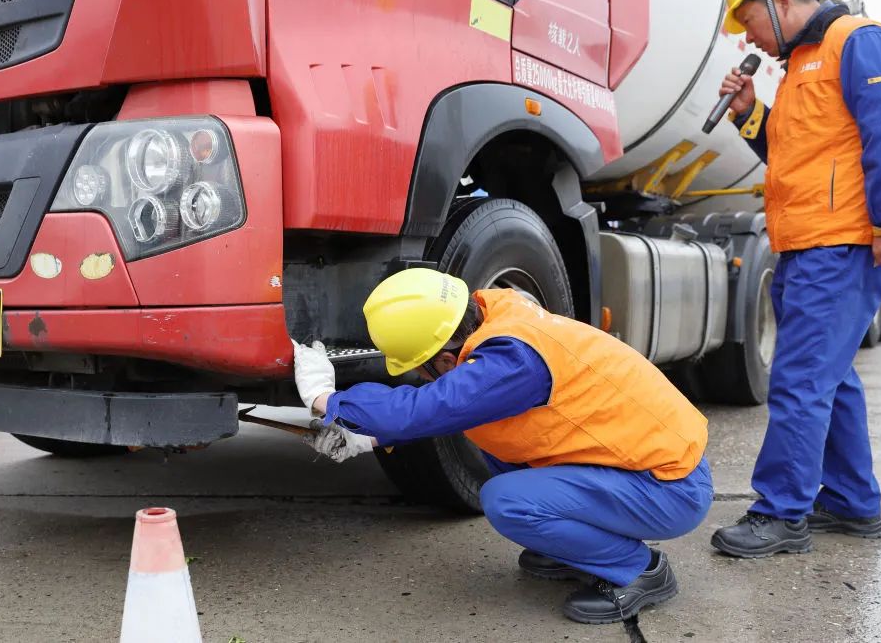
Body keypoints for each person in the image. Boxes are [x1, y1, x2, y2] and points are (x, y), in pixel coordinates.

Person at [292, 268, 713, 625]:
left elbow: (427, 408)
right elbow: (454, 407)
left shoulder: (514, 362)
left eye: (422, 370)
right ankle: (580, 551)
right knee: (496, 442)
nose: (424, 378)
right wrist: (369, 436)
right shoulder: (502, 322)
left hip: (669, 487)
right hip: (646, 467)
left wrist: (326, 399)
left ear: (443, 358)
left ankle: (640, 571)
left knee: (507, 501)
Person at [711, 0, 881, 558]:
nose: (746, 38)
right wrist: (751, 114)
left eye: (749, 21)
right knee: (829, 377)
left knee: (800, 379)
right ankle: (852, 503)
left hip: (840, 244)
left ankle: (781, 512)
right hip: (809, 243)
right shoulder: (801, 63)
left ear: (779, 1)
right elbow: (796, 160)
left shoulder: (859, 41)